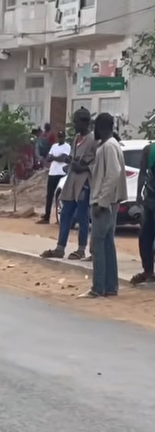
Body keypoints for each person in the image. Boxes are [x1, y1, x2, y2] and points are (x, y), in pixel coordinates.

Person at [82, 113, 127, 298]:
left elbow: (113, 173)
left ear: (101, 127)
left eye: (95, 127)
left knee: (97, 245)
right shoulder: (111, 144)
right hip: (110, 202)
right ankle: (110, 287)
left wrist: (102, 201)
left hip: (104, 203)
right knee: (107, 244)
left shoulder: (108, 146)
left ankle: (98, 287)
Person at [42, 109, 94, 260]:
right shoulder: (77, 138)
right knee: (65, 214)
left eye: (76, 122)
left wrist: (83, 167)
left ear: (84, 122)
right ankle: (60, 248)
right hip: (72, 180)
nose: (74, 125)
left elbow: (96, 162)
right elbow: (73, 157)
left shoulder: (93, 140)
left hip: (84, 182)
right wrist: (70, 161)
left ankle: (81, 249)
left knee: (83, 216)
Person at [132, 139, 155, 285]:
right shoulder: (149, 150)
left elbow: (142, 173)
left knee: (145, 237)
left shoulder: (149, 150)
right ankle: (148, 271)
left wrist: (138, 195)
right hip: (150, 199)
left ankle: (148, 271)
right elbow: (142, 173)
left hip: (150, 199)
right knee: (145, 236)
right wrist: (138, 194)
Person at [38, 133, 71, 224]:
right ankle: (47, 216)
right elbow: (48, 158)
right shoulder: (54, 146)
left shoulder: (67, 146)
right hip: (52, 173)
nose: (60, 138)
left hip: (61, 173)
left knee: (60, 196)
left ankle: (59, 218)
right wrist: (56, 157)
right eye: (59, 137)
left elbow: (64, 158)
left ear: (64, 137)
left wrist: (53, 157)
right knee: (49, 195)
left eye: (62, 137)